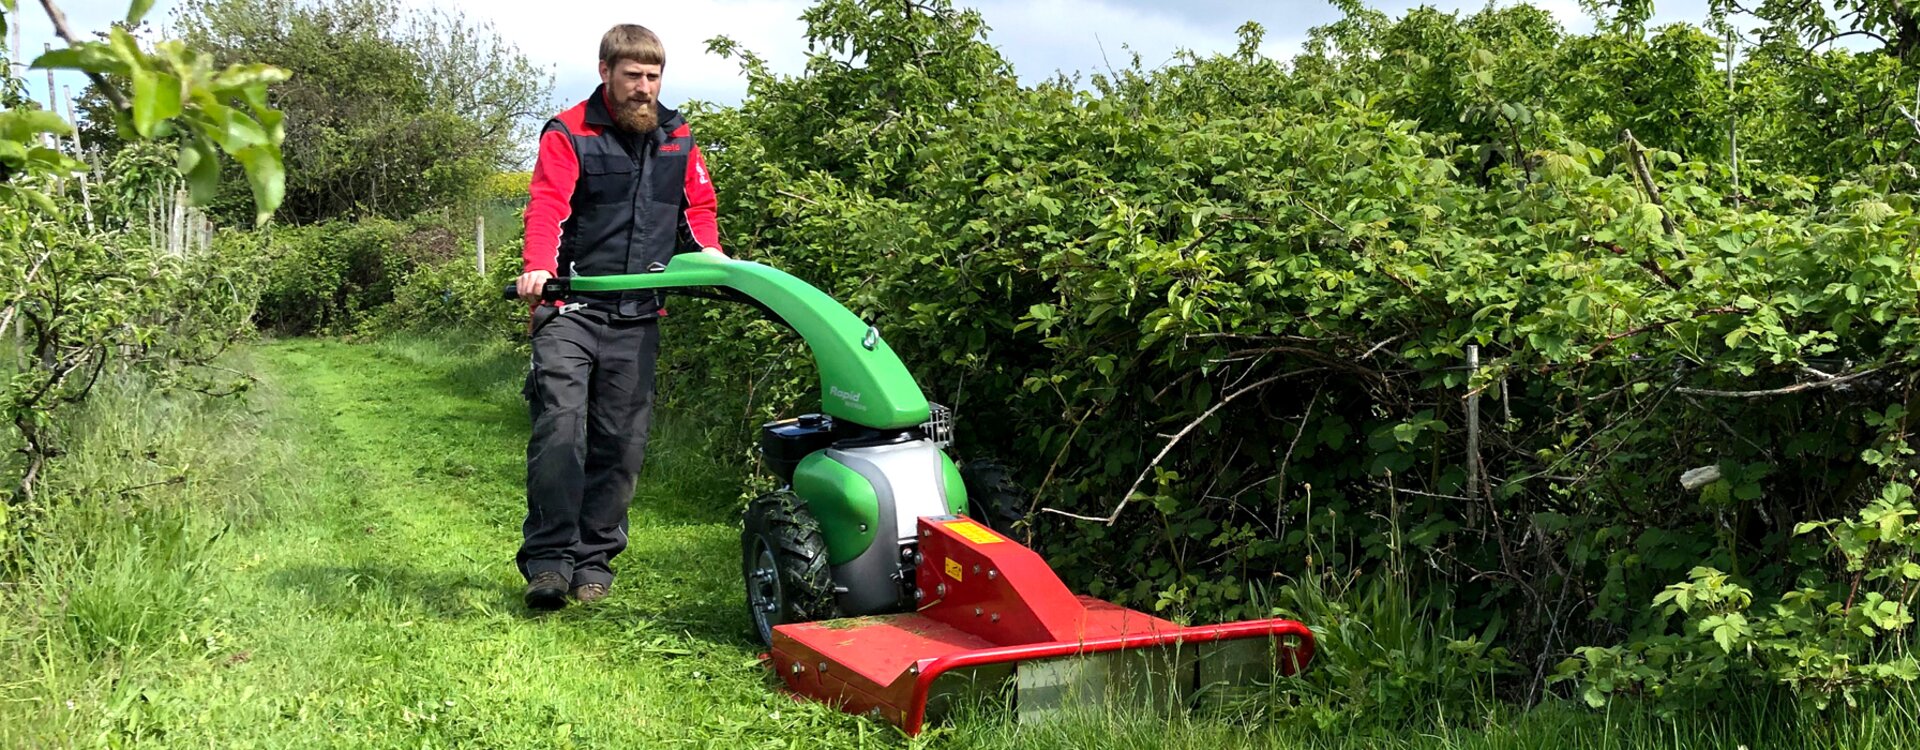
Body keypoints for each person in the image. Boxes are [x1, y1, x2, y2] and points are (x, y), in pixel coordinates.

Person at [513, 23, 725, 610]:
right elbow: (549, 204)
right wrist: (538, 267)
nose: (644, 88)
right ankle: (550, 562)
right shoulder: (569, 131)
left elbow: (697, 206)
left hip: (637, 314)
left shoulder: (676, 136)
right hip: (571, 308)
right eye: (633, 75)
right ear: (605, 71)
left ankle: (593, 563)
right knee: (560, 427)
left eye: (653, 76)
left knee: (622, 444)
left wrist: (709, 254)